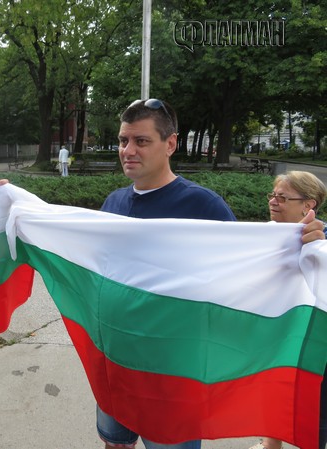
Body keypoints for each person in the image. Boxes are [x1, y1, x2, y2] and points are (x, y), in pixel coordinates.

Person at [96, 99, 325, 449]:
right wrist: (14, 208)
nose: (128, 150)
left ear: (170, 144)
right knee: (114, 444)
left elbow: (250, 271)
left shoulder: (203, 206)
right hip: (115, 363)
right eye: (123, 140)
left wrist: (306, 246)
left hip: (175, 376)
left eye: (141, 141)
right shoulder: (112, 203)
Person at [249, 171, 327, 449]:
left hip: (314, 343)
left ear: (308, 205)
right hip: (277, 334)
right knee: (274, 389)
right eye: (272, 195)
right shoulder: (268, 236)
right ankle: (271, 444)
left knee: (315, 405)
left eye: (282, 197)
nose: (273, 201)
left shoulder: (324, 245)